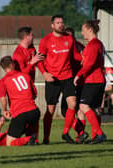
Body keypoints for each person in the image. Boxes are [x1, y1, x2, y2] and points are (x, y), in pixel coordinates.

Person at [37, 14, 82, 144]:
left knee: (72, 104)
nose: (61, 25)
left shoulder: (69, 39)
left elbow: (75, 56)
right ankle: (46, 138)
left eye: (62, 22)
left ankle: (65, 133)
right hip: (53, 79)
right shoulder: (45, 40)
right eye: (57, 23)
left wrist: (85, 58)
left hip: (67, 77)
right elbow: (39, 60)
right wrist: (45, 73)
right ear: (52, 25)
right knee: (50, 110)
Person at [74, 20, 107, 144]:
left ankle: (99, 134)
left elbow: (90, 64)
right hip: (98, 79)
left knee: (83, 106)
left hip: (93, 80)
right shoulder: (99, 44)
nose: (82, 33)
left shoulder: (93, 44)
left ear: (90, 30)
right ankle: (95, 137)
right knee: (93, 108)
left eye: (83, 30)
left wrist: (78, 75)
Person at [0, 56, 40, 146]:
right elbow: (35, 94)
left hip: (20, 113)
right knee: (29, 133)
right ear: (12, 64)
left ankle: (29, 138)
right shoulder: (25, 75)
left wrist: (5, 110)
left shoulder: (3, 81)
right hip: (34, 111)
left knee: (9, 143)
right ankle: (32, 139)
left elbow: (3, 98)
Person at [12, 26, 43, 143]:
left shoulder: (31, 49)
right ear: (26, 37)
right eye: (31, 35)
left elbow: (38, 61)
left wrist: (45, 73)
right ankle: (28, 138)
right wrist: (31, 63)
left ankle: (32, 138)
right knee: (31, 112)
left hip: (30, 86)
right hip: (22, 90)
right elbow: (20, 75)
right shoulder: (17, 54)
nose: (33, 37)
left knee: (33, 113)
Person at [61, 27, 88, 143]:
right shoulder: (81, 46)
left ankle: (81, 133)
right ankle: (80, 135)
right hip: (81, 80)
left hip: (73, 80)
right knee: (79, 110)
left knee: (66, 109)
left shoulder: (70, 48)